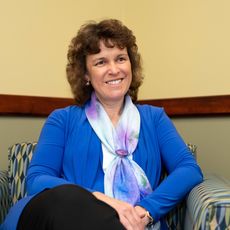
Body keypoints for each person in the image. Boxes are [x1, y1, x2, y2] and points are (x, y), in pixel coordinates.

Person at [0, 19, 203, 230]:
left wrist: (145, 210)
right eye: (101, 62)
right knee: (66, 197)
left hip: (133, 224)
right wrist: (97, 199)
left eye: (121, 59)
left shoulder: (155, 119)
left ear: (131, 65)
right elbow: (36, 179)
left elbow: (189, 169)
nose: (114, 70)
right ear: (86, 74)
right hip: (68, 219)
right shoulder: (62, 120)